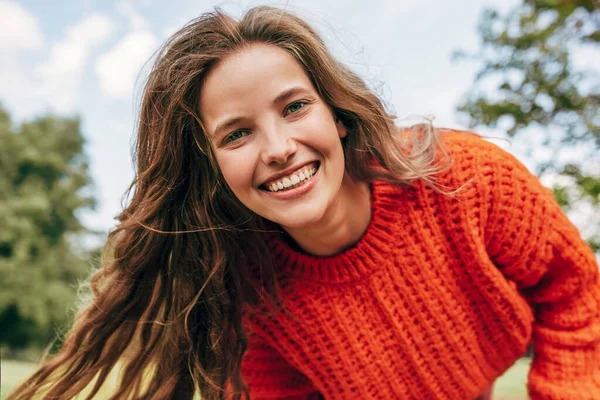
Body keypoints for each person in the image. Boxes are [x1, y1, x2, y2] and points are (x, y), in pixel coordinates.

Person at [8, 5, 600, 400]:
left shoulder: (465, 180)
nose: (278, 149)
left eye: (294, 108)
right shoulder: (253, 295)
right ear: (212, 169)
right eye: (236, 134)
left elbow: (577, 294)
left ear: (337, 115)